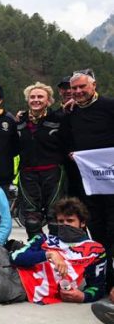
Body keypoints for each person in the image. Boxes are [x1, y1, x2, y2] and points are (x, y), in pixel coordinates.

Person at [61, 68, 114, 291]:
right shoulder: (70, 112)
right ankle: (105, 278)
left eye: (83, 86)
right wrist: (71, 152)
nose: (79, 91)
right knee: (96, 229)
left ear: (94, 86)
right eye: (74, 88)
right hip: (88, 183)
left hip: (111, 181)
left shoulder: (110, 106)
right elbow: (64, 140)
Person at [16, 82, 66, 240]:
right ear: (27, 100)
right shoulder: (19, 123)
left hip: (53, 173)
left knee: (55, 218)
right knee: (31, 220)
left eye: (40, 97)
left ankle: (57, 254)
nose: (36, 100)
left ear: (48, 100)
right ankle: (37, 255)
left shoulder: (59, 119)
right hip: (28, 174)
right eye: (32, 97)